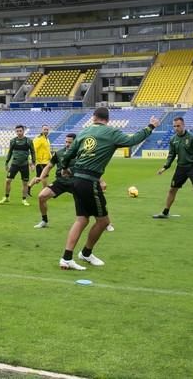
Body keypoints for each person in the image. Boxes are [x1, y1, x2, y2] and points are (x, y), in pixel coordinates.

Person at [58, 107, 159, 270]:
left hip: (76, 180)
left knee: (82, 219)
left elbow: (68, 154)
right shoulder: (111, 132)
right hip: (90, 181)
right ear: (107, 119)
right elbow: (132, 140)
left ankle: (67, 258)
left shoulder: (84, 132)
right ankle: (85, 253)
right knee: (103, 221)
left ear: (93, 118)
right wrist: (150, 127)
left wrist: (64, 168)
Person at [30, 133, 114, 231]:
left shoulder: (82, 154)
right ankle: (44, 221)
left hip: (77, 182)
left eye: (70, 142)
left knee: (93, 202)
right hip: (61, 182)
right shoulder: (59, 153)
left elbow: (90, 169)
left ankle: (107, 223)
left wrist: (101, 181)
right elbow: (49, 166)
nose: (67, 144)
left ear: (75, 142)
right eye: (66, 142)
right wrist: (40, 177)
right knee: (42, 196)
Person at [154, 117, 193, 223]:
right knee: (172, 190)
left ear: (183, 125)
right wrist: (165, 167)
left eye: (178, 126)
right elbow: (171, 155)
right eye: (174, 126)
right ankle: (165, 212)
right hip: (180, 168)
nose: (176, 128)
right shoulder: (173, 139)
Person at [0, 125, 36, 206]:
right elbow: (10, 152)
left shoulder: (28, 141)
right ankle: (6, 197)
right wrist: (6, 163)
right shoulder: (13, 141)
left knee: (25, 183)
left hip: (24, 165)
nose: (19, 133)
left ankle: (24, 199)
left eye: (20, 131)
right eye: (17, 131)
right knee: (8, 181)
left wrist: (33, 163)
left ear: (23, 131)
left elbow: (33, 152)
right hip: (14, 164)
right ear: (16, 131)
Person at [30, 124, 51, 195]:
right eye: (44, 129)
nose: (46, 131)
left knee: (38, 177)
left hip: (46, 161)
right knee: (44, 177)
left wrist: (51, 158)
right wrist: (32, 161)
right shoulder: (38, 139)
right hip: (40, 161)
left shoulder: (46, 139)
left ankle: (28, 187)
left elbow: (47, 150)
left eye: (47, 129)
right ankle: (44, 194)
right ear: (41, 130)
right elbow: (33, 150)